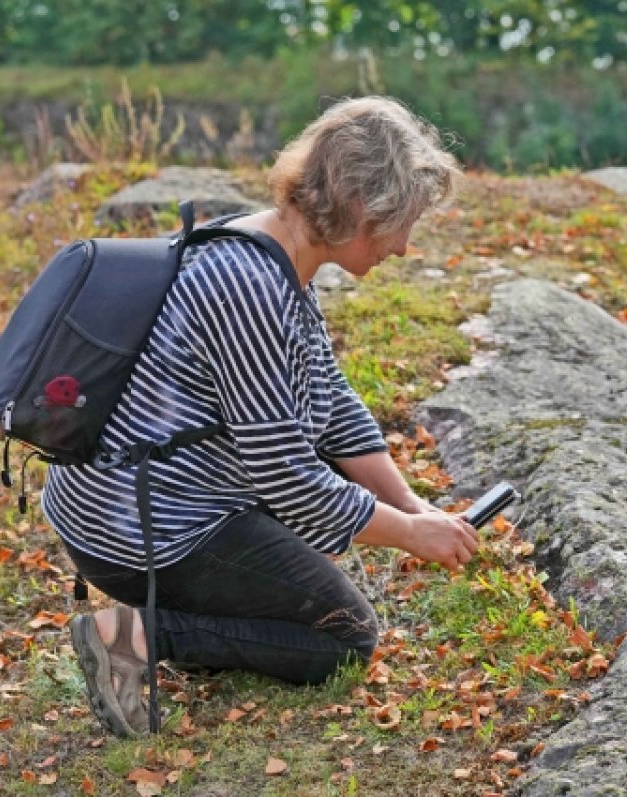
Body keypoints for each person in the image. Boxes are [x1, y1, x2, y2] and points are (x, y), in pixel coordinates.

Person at [41, 96, 478, 737]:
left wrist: (413, 508)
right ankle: (131, 635)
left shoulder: (268, 251)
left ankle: (182, 614)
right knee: (345, 636)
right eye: (403, 223)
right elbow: (290, 479)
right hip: (138, 532)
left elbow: (334, 409)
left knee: (312, 569)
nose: (406, 248)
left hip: (147, 501)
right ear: (361, 207)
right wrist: (411, 537)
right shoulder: (249, 287)